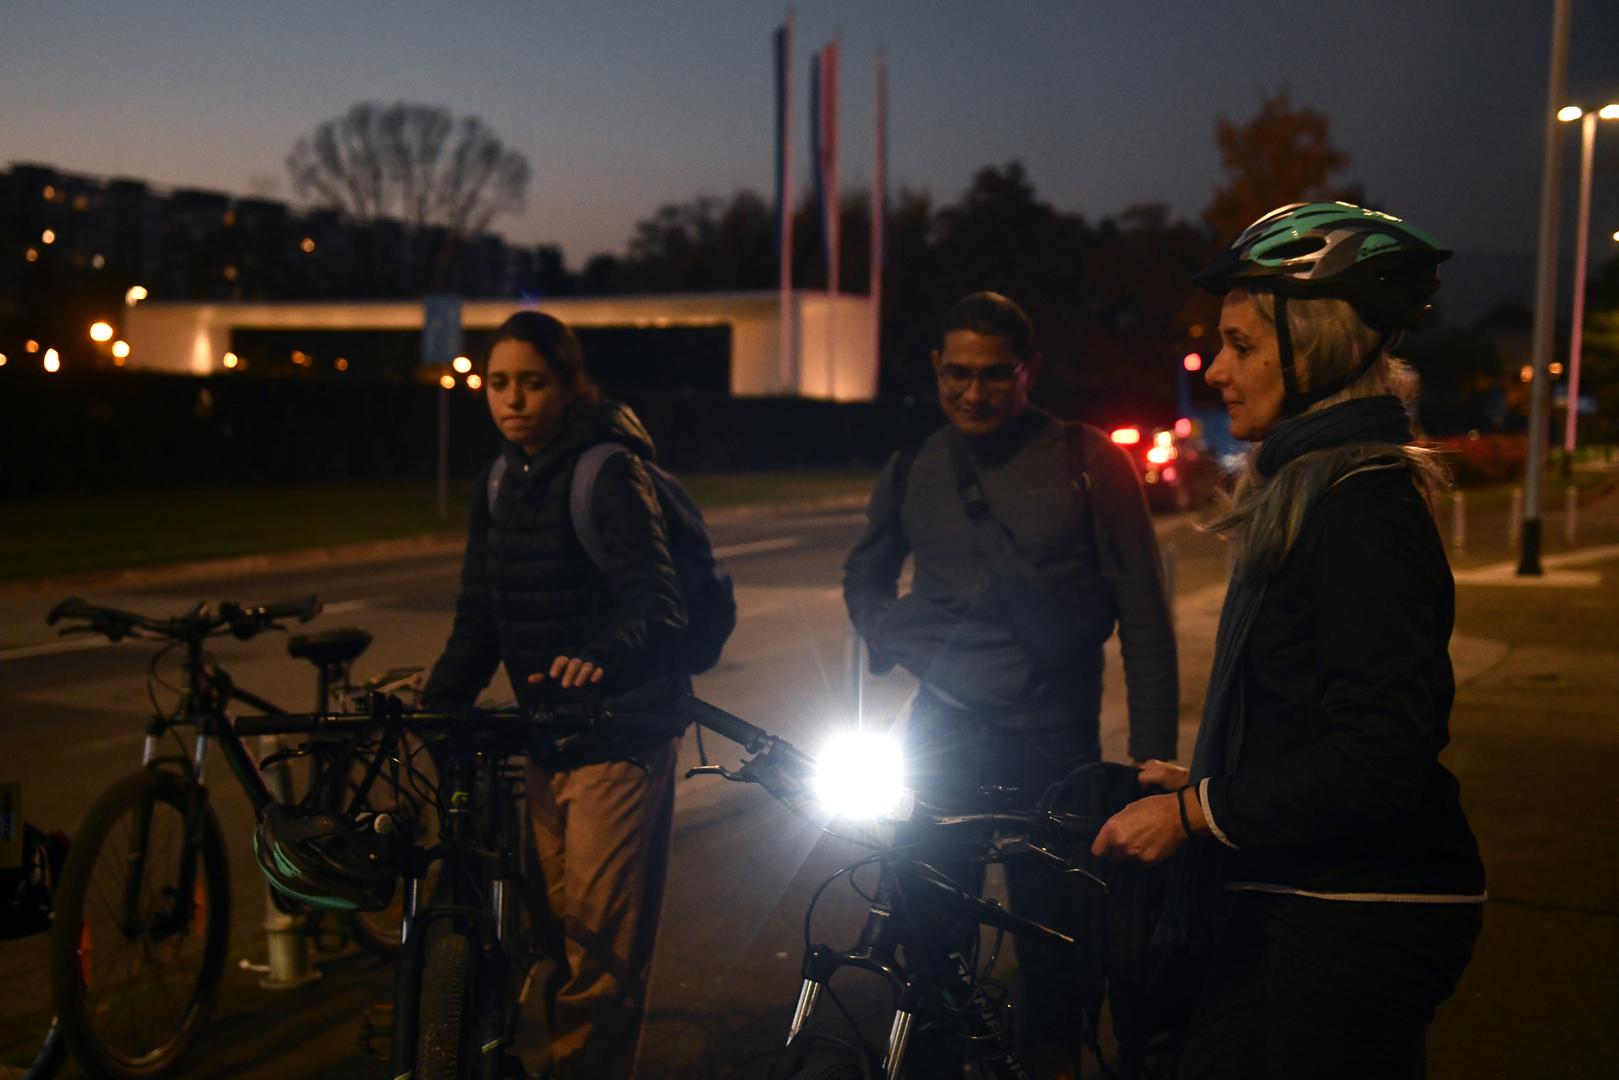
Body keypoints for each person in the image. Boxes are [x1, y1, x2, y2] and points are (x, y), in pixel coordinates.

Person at [1091, 202, 1487, 1078]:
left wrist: (1197, 813)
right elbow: (1315, 715)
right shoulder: (1318, 488)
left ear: (1312, 347)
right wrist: (1210, 779)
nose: (1218, 368)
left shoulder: (1360, 508)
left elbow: (1379, 754)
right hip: (1301, 888)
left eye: (1240, 344)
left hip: (1357, 909)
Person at [843, 291, 1179, 1076]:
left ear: (1028, 372)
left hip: (1053, 741)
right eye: (956, 373)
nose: (973, 392)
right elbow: (864, 574)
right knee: (928, 939)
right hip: (938, 735)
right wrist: (897, 635)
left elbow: (1144, 615)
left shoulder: (1087, 461)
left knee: (1056, 951)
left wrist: (1149, 763)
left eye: (995, 375)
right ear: (935, 368)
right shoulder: (913, 468)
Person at [422, 310, 687, 1079]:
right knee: (552, 937)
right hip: (544, 739)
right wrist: (440, 701)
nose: (511, 400)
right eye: (497, 383)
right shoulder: (501, 478)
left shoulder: (607, 470)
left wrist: (598, 656)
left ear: (570, 387)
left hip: (617, 740)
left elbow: (657, 605)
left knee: (600, 949)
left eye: (531, 383)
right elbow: (481, 615)